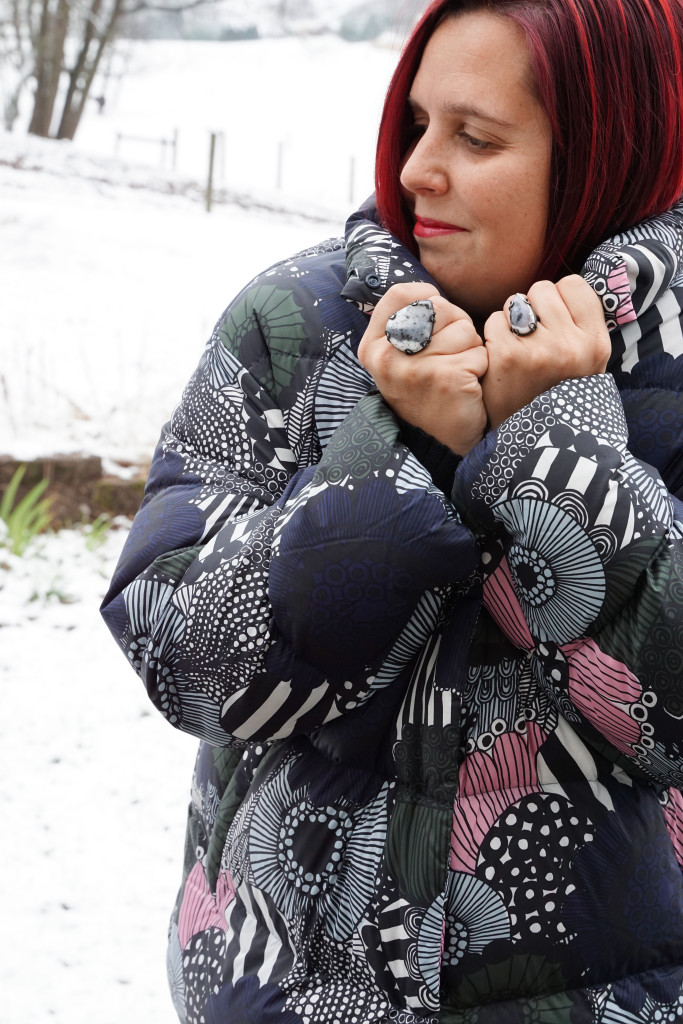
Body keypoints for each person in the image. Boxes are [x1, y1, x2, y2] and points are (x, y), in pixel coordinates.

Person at [101, 0, 683, 1020]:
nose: (415, 167)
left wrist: (549, 451)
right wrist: (389, 460)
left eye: (474, 136)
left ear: (606, 148)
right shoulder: (299, 324)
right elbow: (175, 646)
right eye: (417, 123)